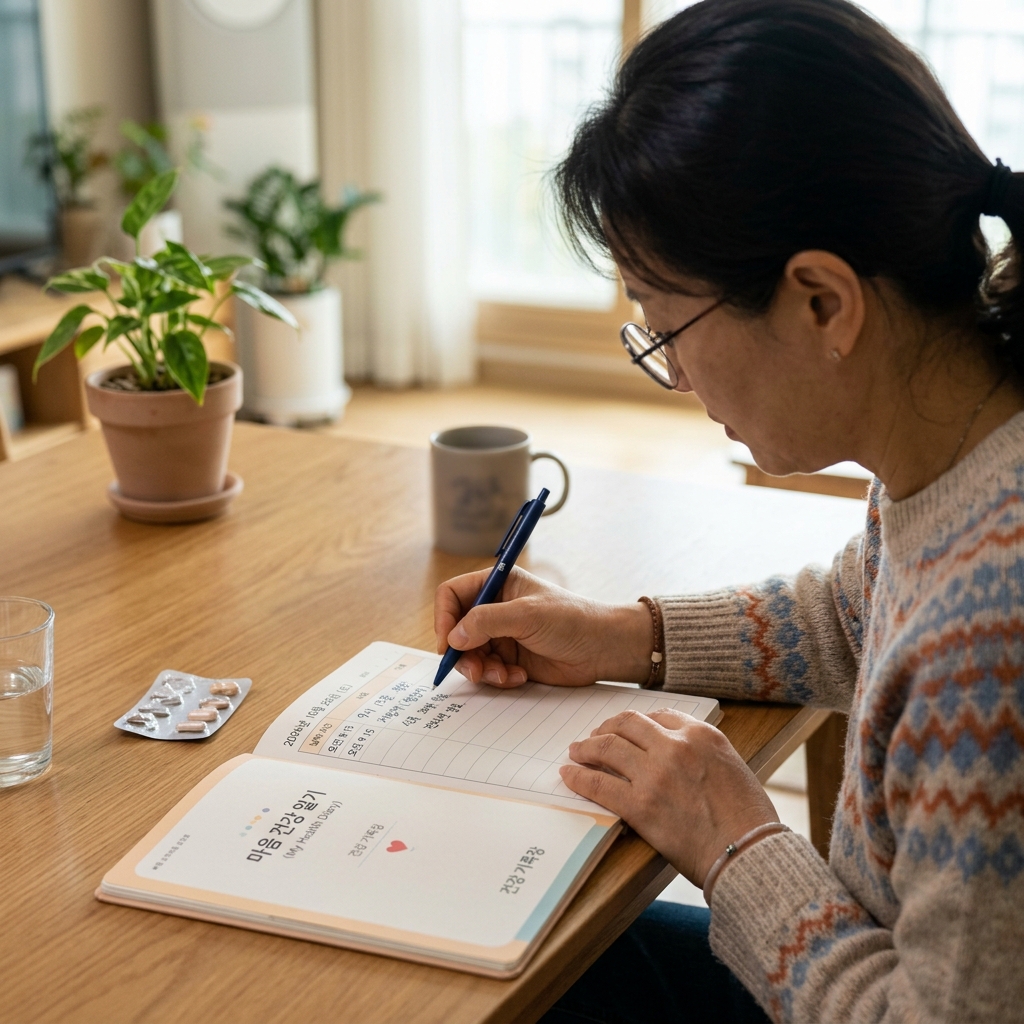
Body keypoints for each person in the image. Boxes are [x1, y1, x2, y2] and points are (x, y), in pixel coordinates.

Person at [433, 1, 1024, 1021]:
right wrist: (622, 634)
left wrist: (735, 840)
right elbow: (860, 607)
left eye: (667, 324)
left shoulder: (994, 633)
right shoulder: (963, 438)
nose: (669, 370)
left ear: (821, 302)